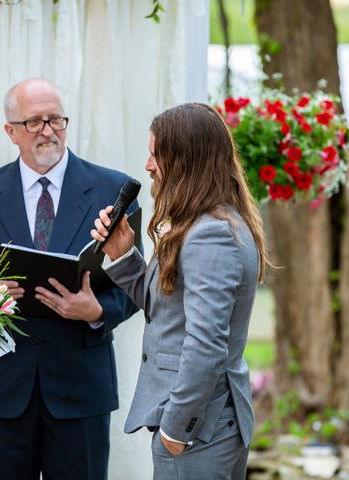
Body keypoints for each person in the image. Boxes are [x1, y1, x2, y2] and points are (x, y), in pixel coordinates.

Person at [0, 78, 140, 480]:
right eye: (34, 122)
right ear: (11, 132)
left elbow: (134, 281)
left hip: (80, 387)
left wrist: (96, 311)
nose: (48, 130)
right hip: (2, 389)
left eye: (55, 119)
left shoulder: (113, 189)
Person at [91, 102, 268, 480]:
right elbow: (167, 308)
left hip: (198, 431)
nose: (148, 165)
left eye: (156, 154)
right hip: (204, 426)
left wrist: (175, 428)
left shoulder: (211, 234)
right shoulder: (202, 223)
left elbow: (206, 342)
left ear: (185, 159)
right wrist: (123, 255)